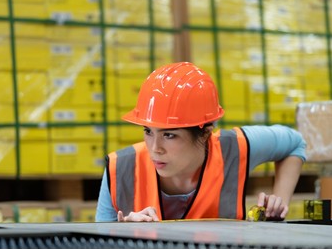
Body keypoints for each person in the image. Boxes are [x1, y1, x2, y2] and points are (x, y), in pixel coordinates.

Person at [95, 62, 306, 222]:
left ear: (205, 133)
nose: (154, 148)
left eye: (169, 135)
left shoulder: (234, 149)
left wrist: (280, 203)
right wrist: (123, 241)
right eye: (148, 131)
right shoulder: (119, 170)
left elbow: (295, 142)